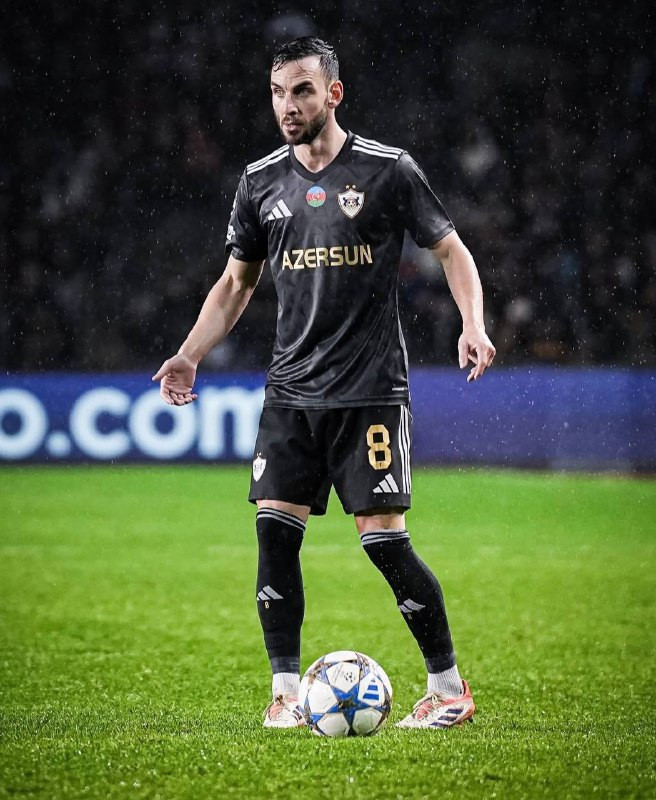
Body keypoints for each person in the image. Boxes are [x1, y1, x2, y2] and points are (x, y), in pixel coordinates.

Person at [153, 36, 496, 730]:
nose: (288, 105)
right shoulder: (259, 184)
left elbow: (451, 249)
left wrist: (473, 323)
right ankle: (285, 693)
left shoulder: (388, 170)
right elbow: (235, 284)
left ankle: (448, 688)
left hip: (369, 390)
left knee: (384, 542)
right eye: (278, 92)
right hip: (290, 394)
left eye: (302, 90)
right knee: (274, 535)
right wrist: (189, 354)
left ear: (333, 94)